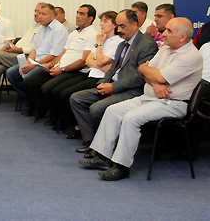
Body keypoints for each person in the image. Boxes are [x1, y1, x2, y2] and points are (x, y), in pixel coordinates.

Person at [79, 18, 202, 181]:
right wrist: (155, 82)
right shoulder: (166, 48)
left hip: (172, 104)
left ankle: (122, 167)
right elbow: (142, 69)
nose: (164, 33)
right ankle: (103, 157)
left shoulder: (191, 56)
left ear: (182, 37)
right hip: (149, 97)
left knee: (131, 118)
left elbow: (157, 75)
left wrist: (152, 75)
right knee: (112, 111)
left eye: (169, 31)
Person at [69, 9, 158, 153]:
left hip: (131, 90)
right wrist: (103, 83)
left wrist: (113, 87)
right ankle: (92, 142)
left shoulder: (146, 44)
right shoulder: (122, 44)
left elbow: (139, 76)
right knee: (77, 99)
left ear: (135, 25)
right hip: (113, 85)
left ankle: (103, 148)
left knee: (96, 109)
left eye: (123, 26)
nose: (119, 30)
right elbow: (112, 69)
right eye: (118, 26)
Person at [23, 4, 98, 123]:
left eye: (81, 14)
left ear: (90, 19)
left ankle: (60, 118)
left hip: (74, 71)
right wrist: (50, 65)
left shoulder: (93, 34)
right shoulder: (74, 33)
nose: (77, 16)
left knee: (50, 88)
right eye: (77, 13)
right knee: (29, 82)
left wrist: (62, 69)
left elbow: (84, 61)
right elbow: (62, 53)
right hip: (59, 67)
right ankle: (46, 109)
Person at [54, 11, 123, 138]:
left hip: (102, 78)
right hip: (92, 73)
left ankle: (77, 126)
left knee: (67, 94)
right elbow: (88, 60)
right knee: (61, 91)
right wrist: (100, 64)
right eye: (101, 21)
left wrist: (99, 47)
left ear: (114, 25)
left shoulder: (117, 42)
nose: (101, 24)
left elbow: (100, 60)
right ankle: (73, 124)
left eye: (105, 21)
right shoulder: (102, 39)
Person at [4, 3, 68, 117]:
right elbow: (34, 48)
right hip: (36, 61)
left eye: (44, 14)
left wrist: (34, 65)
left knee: (28, 77)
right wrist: (28, 62)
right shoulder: (41, 28)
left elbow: (54, 54)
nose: (40, 16)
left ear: (52, 16)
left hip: (48, 64)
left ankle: (41, 106)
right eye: (40, 13)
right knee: (11, 73)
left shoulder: (59, 30)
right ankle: (32, 104)